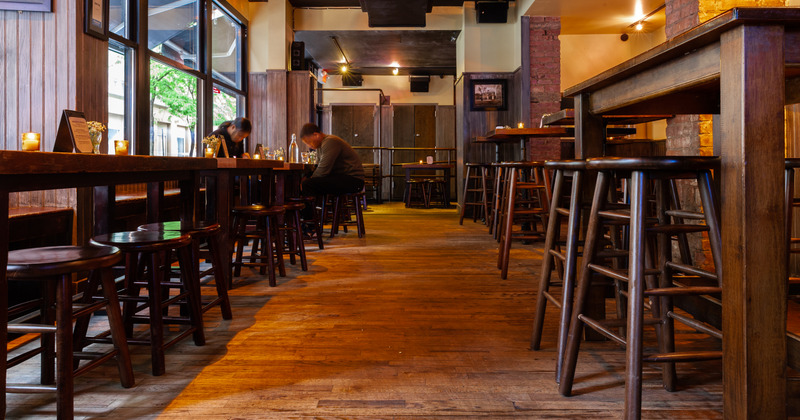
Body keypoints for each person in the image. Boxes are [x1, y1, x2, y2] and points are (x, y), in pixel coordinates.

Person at [299, 123, 365, 197]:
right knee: (307, 182)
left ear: (316, 135)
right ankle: (317, 204)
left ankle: (312, 205)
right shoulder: (320, 146)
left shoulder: (330, 141)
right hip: (343, 177)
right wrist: (307, 176)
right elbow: (317, 167)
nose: (309, 146)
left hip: (353, 180)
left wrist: (308, 180)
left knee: (308, 184)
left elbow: (323, 170)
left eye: (308, 142)